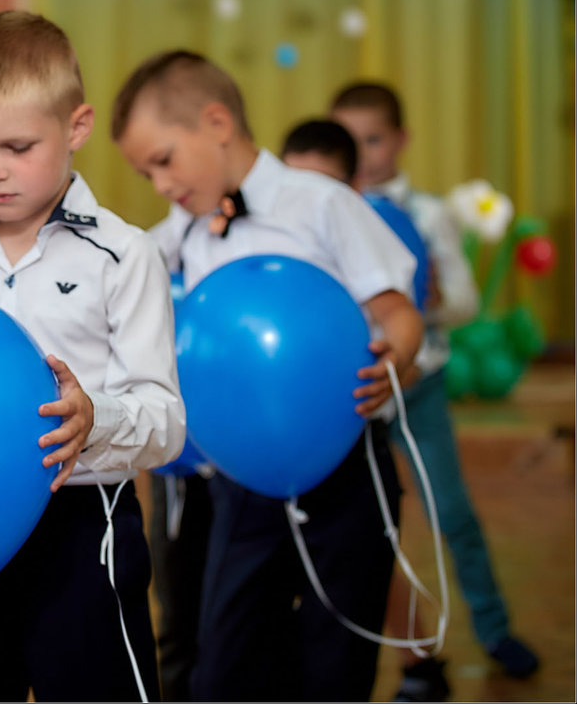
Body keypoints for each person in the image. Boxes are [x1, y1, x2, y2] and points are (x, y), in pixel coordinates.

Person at [112, 50, 423, 702]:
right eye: (146, 173)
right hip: (240, 478)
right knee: (225, 661)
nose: (160, 184)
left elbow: (397, 311)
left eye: (164, 160)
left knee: (334, 663)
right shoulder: (179, 233)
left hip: (344, 463)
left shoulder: (323, 204)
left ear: (216, 121)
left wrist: (394, 353)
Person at [0, 10, 185, 702]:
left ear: (76, 127)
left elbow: (166, 419)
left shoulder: (125, 254)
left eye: (17, 145)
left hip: (84, 529)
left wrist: (97, 417)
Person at [331, 82, 540, 698]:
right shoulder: (329, 213)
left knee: (451, 512)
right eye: (350, 141)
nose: (363, 153)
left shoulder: (427, 213)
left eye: (373, 139)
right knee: (373, 531)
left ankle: (495, 629)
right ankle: (417, 656)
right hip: (358, 393)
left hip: (418, 385)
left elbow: (467, 299)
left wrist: (431, 302)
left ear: (400, 140)